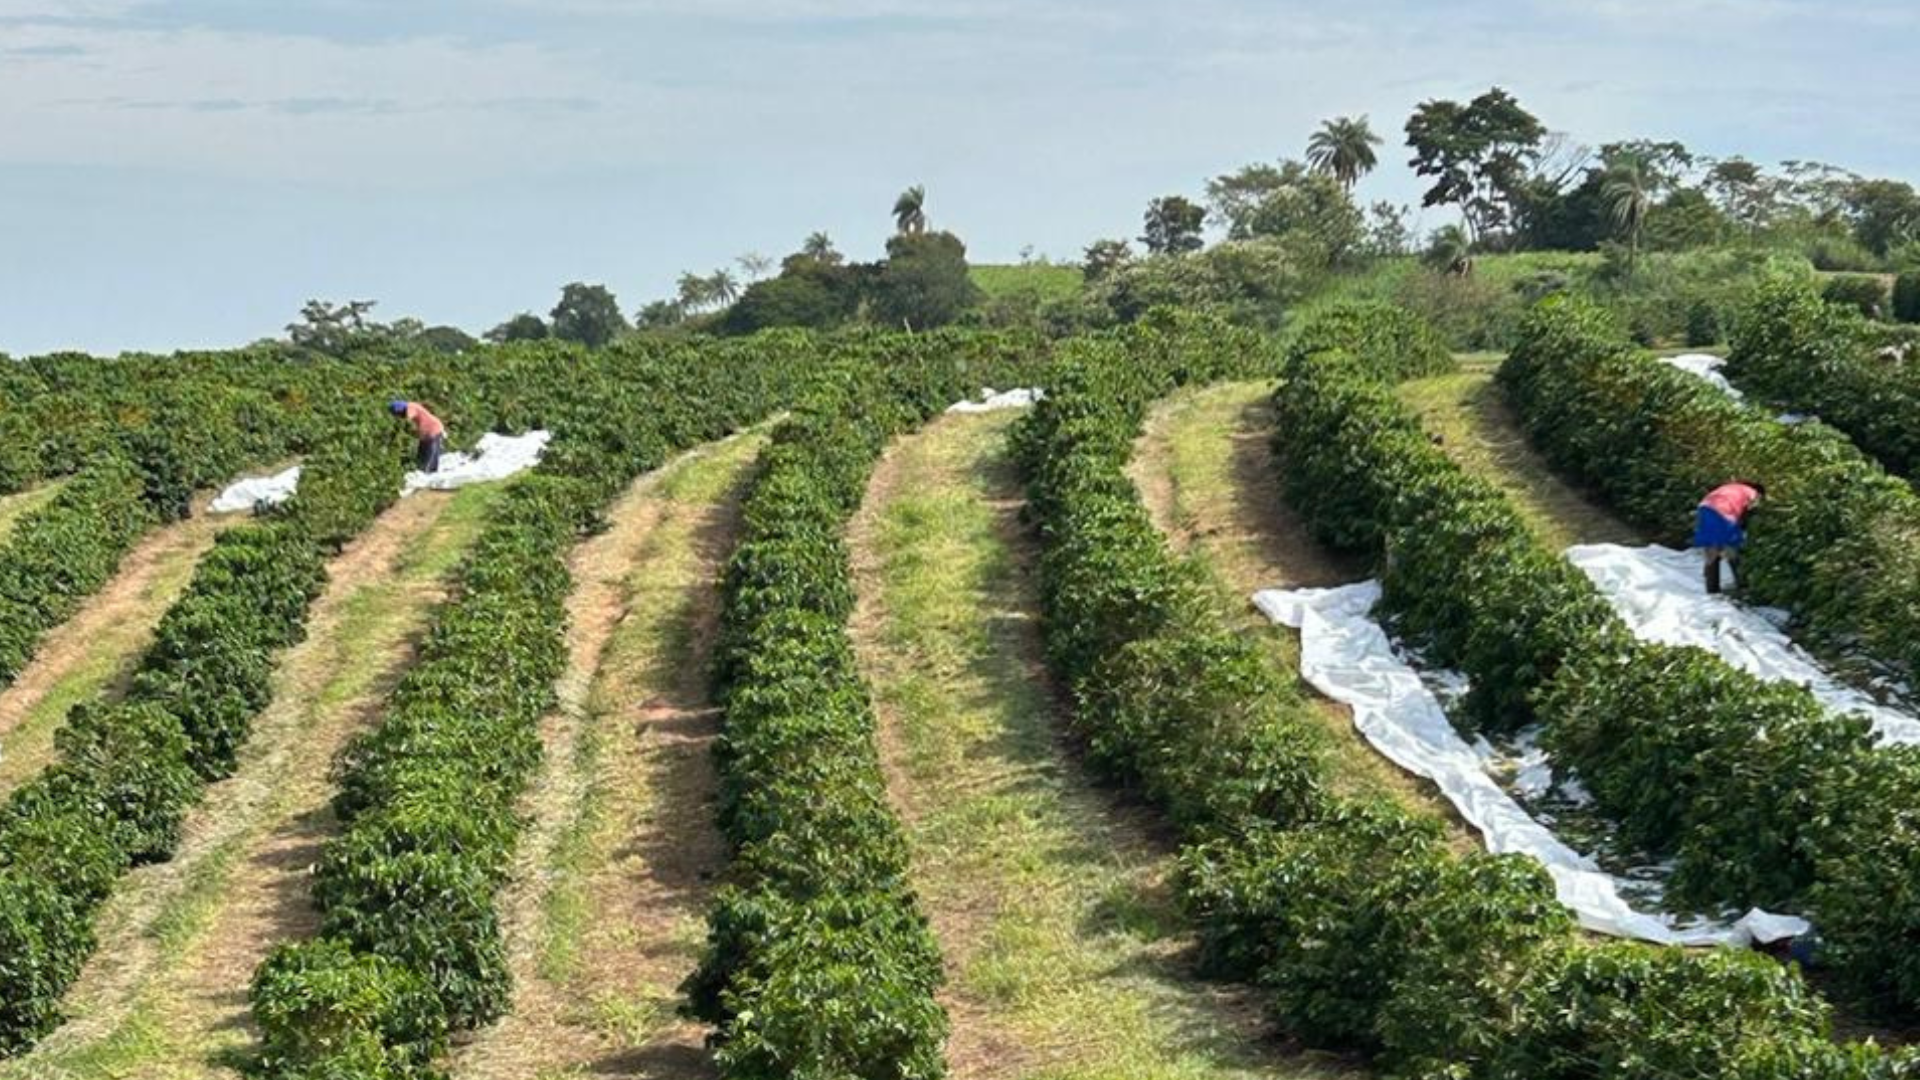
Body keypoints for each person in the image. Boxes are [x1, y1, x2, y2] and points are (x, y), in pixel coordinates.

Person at [1695, 480, 1765, 594]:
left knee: (1712, 548)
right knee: (1731, 548)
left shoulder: (1730, 486)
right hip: (1725, 510)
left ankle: (1712, 589)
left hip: (1705, 507)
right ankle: (1743, 586)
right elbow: (1749, 513)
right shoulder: (1753, 493)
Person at [389, 400, 446, 474]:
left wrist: (399, 432)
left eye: (397, 414)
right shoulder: (412, 406)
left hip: (433, 430)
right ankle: (429, 473)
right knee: (423, 454)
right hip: (427, 432)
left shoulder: (410, 407)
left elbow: (408, 421)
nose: (399, 416)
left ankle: (428, 474)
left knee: (429, 455)